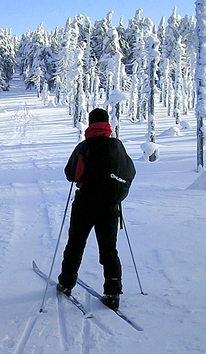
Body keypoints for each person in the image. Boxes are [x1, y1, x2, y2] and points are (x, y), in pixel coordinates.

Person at [57, 108, 136, 310]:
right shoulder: (118, 146)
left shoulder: (85, 146)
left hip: (85, 204)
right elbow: (130, 171)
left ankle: (66, 283)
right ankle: (113, 291)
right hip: (110, 206)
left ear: (90, 124)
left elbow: (72, 174)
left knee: (75, 244)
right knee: (109, 249)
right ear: (107, 125)